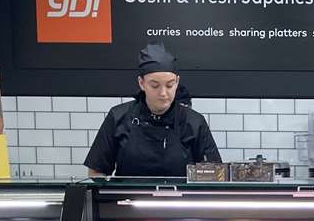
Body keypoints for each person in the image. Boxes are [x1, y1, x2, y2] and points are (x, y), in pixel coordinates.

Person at [84, 44, 220, 178]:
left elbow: (214, 176)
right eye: (154, 85)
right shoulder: (118, 117)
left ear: (177, 82)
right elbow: (96, 172)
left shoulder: (194, 123)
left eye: (169, 85)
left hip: (180, 200)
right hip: (127, 199)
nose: (163, 93)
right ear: (141, 83)